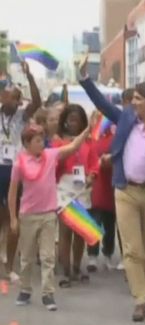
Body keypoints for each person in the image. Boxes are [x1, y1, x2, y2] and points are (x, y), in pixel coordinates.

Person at [79, 56, 145, 322]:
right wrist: (85, 80)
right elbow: (102, 103)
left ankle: (144, 292)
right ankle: (139, 299)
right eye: (133, 99)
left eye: (138, 99)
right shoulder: (125, 118)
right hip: (124, 190)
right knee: (132, 250)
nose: (133, 103)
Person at [8, 123, 90, 311]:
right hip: (28, 215)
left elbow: (72, 147)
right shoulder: (19, 163)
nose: (42, 143)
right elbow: (12, 193)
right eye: (37, 140)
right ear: (27, 143)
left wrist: (86, 131)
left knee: (47, 256)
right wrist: (13, 217)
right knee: (27, 256)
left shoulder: (51, 155)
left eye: (42, 139)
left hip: (48, 214)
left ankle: (48, 293)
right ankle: (25, 289)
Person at [0, 61, 41, 283]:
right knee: (3, 217)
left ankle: (8, 266)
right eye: (10, 97)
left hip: (15, 171)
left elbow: (37, 101)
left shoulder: (22, 117)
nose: (14, 101)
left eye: (17, 97)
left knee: (14, 216)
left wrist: (30, 77)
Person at [52, 104, 98, 288]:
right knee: (65, 231)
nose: (73, 123)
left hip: (82, 188)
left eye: (77, 120)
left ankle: (77, 267)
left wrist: (92, 175)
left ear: (82, 123)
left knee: (81, 230)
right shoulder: (59, 142)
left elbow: (94, 164)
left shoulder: (89, 143)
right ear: (64, 122)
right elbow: (53, 162)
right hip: (64, 187)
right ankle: (65, 270)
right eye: (70, 119)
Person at [87, 111, 123, 272]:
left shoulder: (115, 139)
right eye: (96, 118)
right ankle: (92, 256)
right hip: (95, 185)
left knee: (109, 225)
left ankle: (107, 254)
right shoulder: (89, 139)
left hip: (111, 186)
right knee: (94, 223)